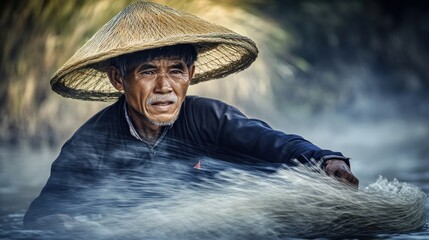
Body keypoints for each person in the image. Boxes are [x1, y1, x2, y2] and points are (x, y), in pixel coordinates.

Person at [24, 1, 358, 230]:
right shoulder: (90, 145)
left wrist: (327, 160)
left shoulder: (208, 118)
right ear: (117, 79)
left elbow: (277, 145)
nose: (164, 87)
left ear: (191, 75)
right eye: (148, 71)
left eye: (176, 71)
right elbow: (42, 217)